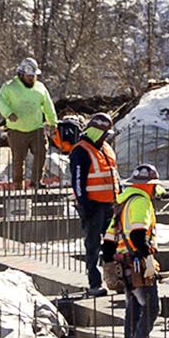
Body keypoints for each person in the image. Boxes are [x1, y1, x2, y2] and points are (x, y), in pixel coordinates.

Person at [53, 116, 121, 288]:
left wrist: (119, 198)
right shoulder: (81, 151)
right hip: (93, 205)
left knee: (112, 243)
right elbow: (78, 181)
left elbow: (114, 175)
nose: (105, 137)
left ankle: (114, 279)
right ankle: (94, 282)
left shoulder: (106, 148)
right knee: (92, 245)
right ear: (95, 131)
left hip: (110, 204)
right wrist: (85, 204)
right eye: (103, 134)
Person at [108, 166, 164, 338]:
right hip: (137, 263)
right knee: (151, 307)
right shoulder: (141, 202)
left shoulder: (123, 203)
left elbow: (110, 236)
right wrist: (147, 257)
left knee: (134, 308)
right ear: (147, 187)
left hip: (125, 263)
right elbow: (138, 236)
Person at [0, 58, 56, 188]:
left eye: (33, 76)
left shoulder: (40, 88)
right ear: (21, 74)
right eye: (29, 76)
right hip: (16, 130)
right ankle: (18, 184)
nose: (31, 78)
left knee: (41, 153)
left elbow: (48, 105)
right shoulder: (10, 86)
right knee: (18, 159)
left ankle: (36, 181)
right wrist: (8, 113)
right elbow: (0, 100)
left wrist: (52, 122)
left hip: (36, 128)